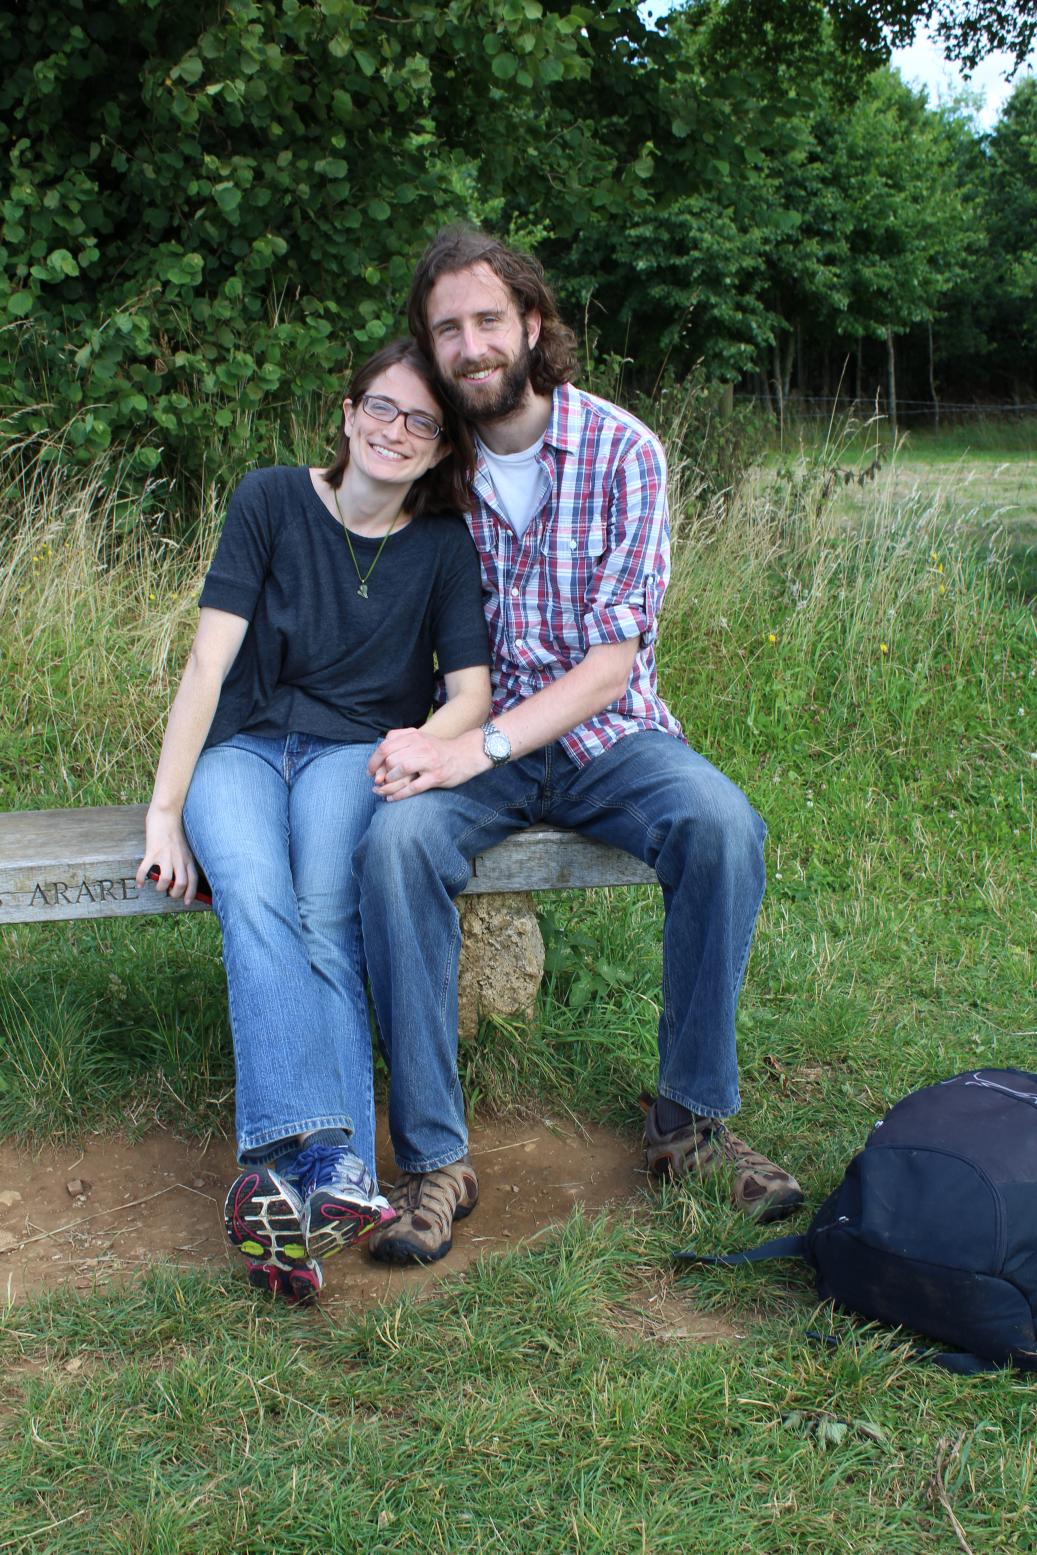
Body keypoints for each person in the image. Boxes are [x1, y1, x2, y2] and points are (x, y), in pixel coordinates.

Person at [356, 228, 803, 1266]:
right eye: (444, 329)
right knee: (390, 847)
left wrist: (483, 747)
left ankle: (687, 1123)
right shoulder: (430, 461)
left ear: (531, 326)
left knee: (720, 827)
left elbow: (611, 665)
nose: (467, 345)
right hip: (470, 733)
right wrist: (427, 743)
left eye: (484, 321)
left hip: (607, 736)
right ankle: (433, 1159)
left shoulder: (621, 451)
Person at [136, 337, 491, 1302]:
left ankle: (296, 1180)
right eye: (383, 408)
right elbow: (208, 665)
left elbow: (471, 693)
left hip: (351, 753)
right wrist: (166, 813)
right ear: (347, 413)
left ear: (441, 447)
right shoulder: (269, 500)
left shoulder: (442, 544)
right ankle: (328, 1167)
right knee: (252, 894)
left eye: (423, 421)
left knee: (325, 911)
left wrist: (419, 738)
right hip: (242, 749)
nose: (397, 431)